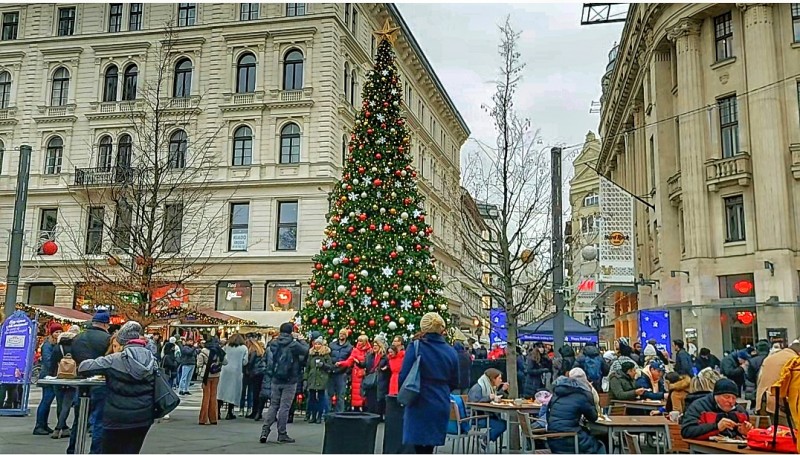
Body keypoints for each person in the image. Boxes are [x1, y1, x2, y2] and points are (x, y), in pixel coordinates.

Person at [77, 321, 157, 454]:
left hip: (117, 416)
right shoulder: (152, 360)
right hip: (143, 415)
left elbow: (85, 367)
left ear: (123, 342)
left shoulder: (114, 359)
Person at [400, 313, 459, 454]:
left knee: (418, 447)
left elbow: (404, 376)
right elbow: (455, 381)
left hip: (418, 400)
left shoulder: (416, 347)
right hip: (439, 401)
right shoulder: (450, 351)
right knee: (429, 448)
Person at [67, 310, 111, 455]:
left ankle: (72, 449)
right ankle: (95, 452)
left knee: (79, 419)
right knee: (99, 420)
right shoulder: (107, 339)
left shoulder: (78, 338)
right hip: (101, 382)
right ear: (105, 324)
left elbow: (74, 357)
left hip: (82, 381)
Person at [260, 322, 308, 444]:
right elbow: (306, 351)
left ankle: (264, 431)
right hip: (290, 379)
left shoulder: (274, 343)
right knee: (284, 407)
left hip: (275, 378)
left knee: (273, 405)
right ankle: (282, 433)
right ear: (291, 331)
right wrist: (301, 340)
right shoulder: (294, 345)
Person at [546, 370, 606, 454]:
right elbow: (593, 417)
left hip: (552, 438)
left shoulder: (557, 395)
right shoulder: (582, 396)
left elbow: (548, 415)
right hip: (570, 438)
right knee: (599, 445)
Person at [680, 378, 751, 441]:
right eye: (727, 397)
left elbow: (747, 436)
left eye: (734, 398)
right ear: (716, 396)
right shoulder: (699, 406)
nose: (731, 401)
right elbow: (687, 431)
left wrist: (745, 433)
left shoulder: (740, 410)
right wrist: (716, 427)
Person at [755, 339, 800, 425]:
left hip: (763, 401)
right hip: (780, 405)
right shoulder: (794, 360)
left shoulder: (771, 357)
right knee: (788, 434)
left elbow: (759, 379)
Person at [51, 325, 81, 439]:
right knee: (67, 404)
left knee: (60, 403)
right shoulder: (76, 347)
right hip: (72, 377)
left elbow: (52, 362)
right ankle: (59, 427)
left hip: (58, 377)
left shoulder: (58, 347)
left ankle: (62, 428)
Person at [34, 321, 63, 436]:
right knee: (46, 401)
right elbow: (47, 360)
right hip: (48, 376)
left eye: (60, 332)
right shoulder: (47, 345)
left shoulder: (57, 344)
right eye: (56, 332)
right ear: (51, 333)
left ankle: (44, 425)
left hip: (53, 376)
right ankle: (39, 425)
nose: (58, 334)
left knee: (48, 401)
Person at [468, 368, 509, 445]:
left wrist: (502, 390)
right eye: (499, 378)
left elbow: (495, 397)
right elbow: (474, 403)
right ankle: (485, 439)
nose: (501, 380)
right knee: (502, 425)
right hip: (476, 418)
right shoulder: (478, 387)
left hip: (486, 415)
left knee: (504, 423)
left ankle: (485, 439)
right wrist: (489, 397)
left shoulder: (490, 387)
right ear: (493, 379)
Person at [336, 334, 371, 411]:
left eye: (361, 341)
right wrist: (341, 363)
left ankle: (364, 406)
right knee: (356, 392)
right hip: (356, 374)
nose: (359, 342)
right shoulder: (355, 350)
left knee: (364, 391)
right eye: (358, 341)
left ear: (365, 342)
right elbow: (349, 361)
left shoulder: (369, 351)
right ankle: (356, 407)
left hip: (365, 374)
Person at [197, 336, 226, 425]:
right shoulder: (219, 351)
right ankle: (213, 418)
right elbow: (225, 362)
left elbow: (199, 364)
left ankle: (203, 418)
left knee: (206, 397)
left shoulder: (203, 352)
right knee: (213, 396)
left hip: (206, 375)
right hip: (216, 374)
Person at [304, 337, 332, 424]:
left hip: (322, 378)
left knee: (321, 398)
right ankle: (313, 415)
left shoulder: (326, 355)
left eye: (319, 344)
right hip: (312, 378)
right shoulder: (311, 355)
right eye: (316, 344)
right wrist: (305, 379)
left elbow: (330, 366)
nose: (317, 346)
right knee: (312, 398)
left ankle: (320, 416)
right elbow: (307, 368)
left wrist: (323, 365)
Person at [326, 328, 353, 413]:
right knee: (328, 394)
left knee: (340, 395)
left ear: (346, 336)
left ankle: (339, 413)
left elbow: (350, 361)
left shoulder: (349, 347)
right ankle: (327, 412)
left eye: (343, 334)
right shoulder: (332, 345)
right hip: (331, 372)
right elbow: (328, 357)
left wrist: (346, 372)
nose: (341, 335)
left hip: (342, 373)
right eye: (340, 333)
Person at [364, 337, 390, 419]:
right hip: (371, 381)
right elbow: (365, 365)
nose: (374, 347)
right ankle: (370, 416)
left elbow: (389, 366)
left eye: (376, 345)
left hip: (380, 381)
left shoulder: (384, 357)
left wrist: (386, 367)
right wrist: (358, 363)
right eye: (374, 345)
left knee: (378, 400)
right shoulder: (369, 355)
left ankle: (378, 416)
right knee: (370, 399)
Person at [244, 334, 267, 419]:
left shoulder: (253, 351)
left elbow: (250, 363)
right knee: (259, 393)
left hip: (255, 373)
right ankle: (258, 411)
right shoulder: (260, 350)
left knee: (255, 393)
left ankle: (255, 411)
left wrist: (247, 370)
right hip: (262, 373)